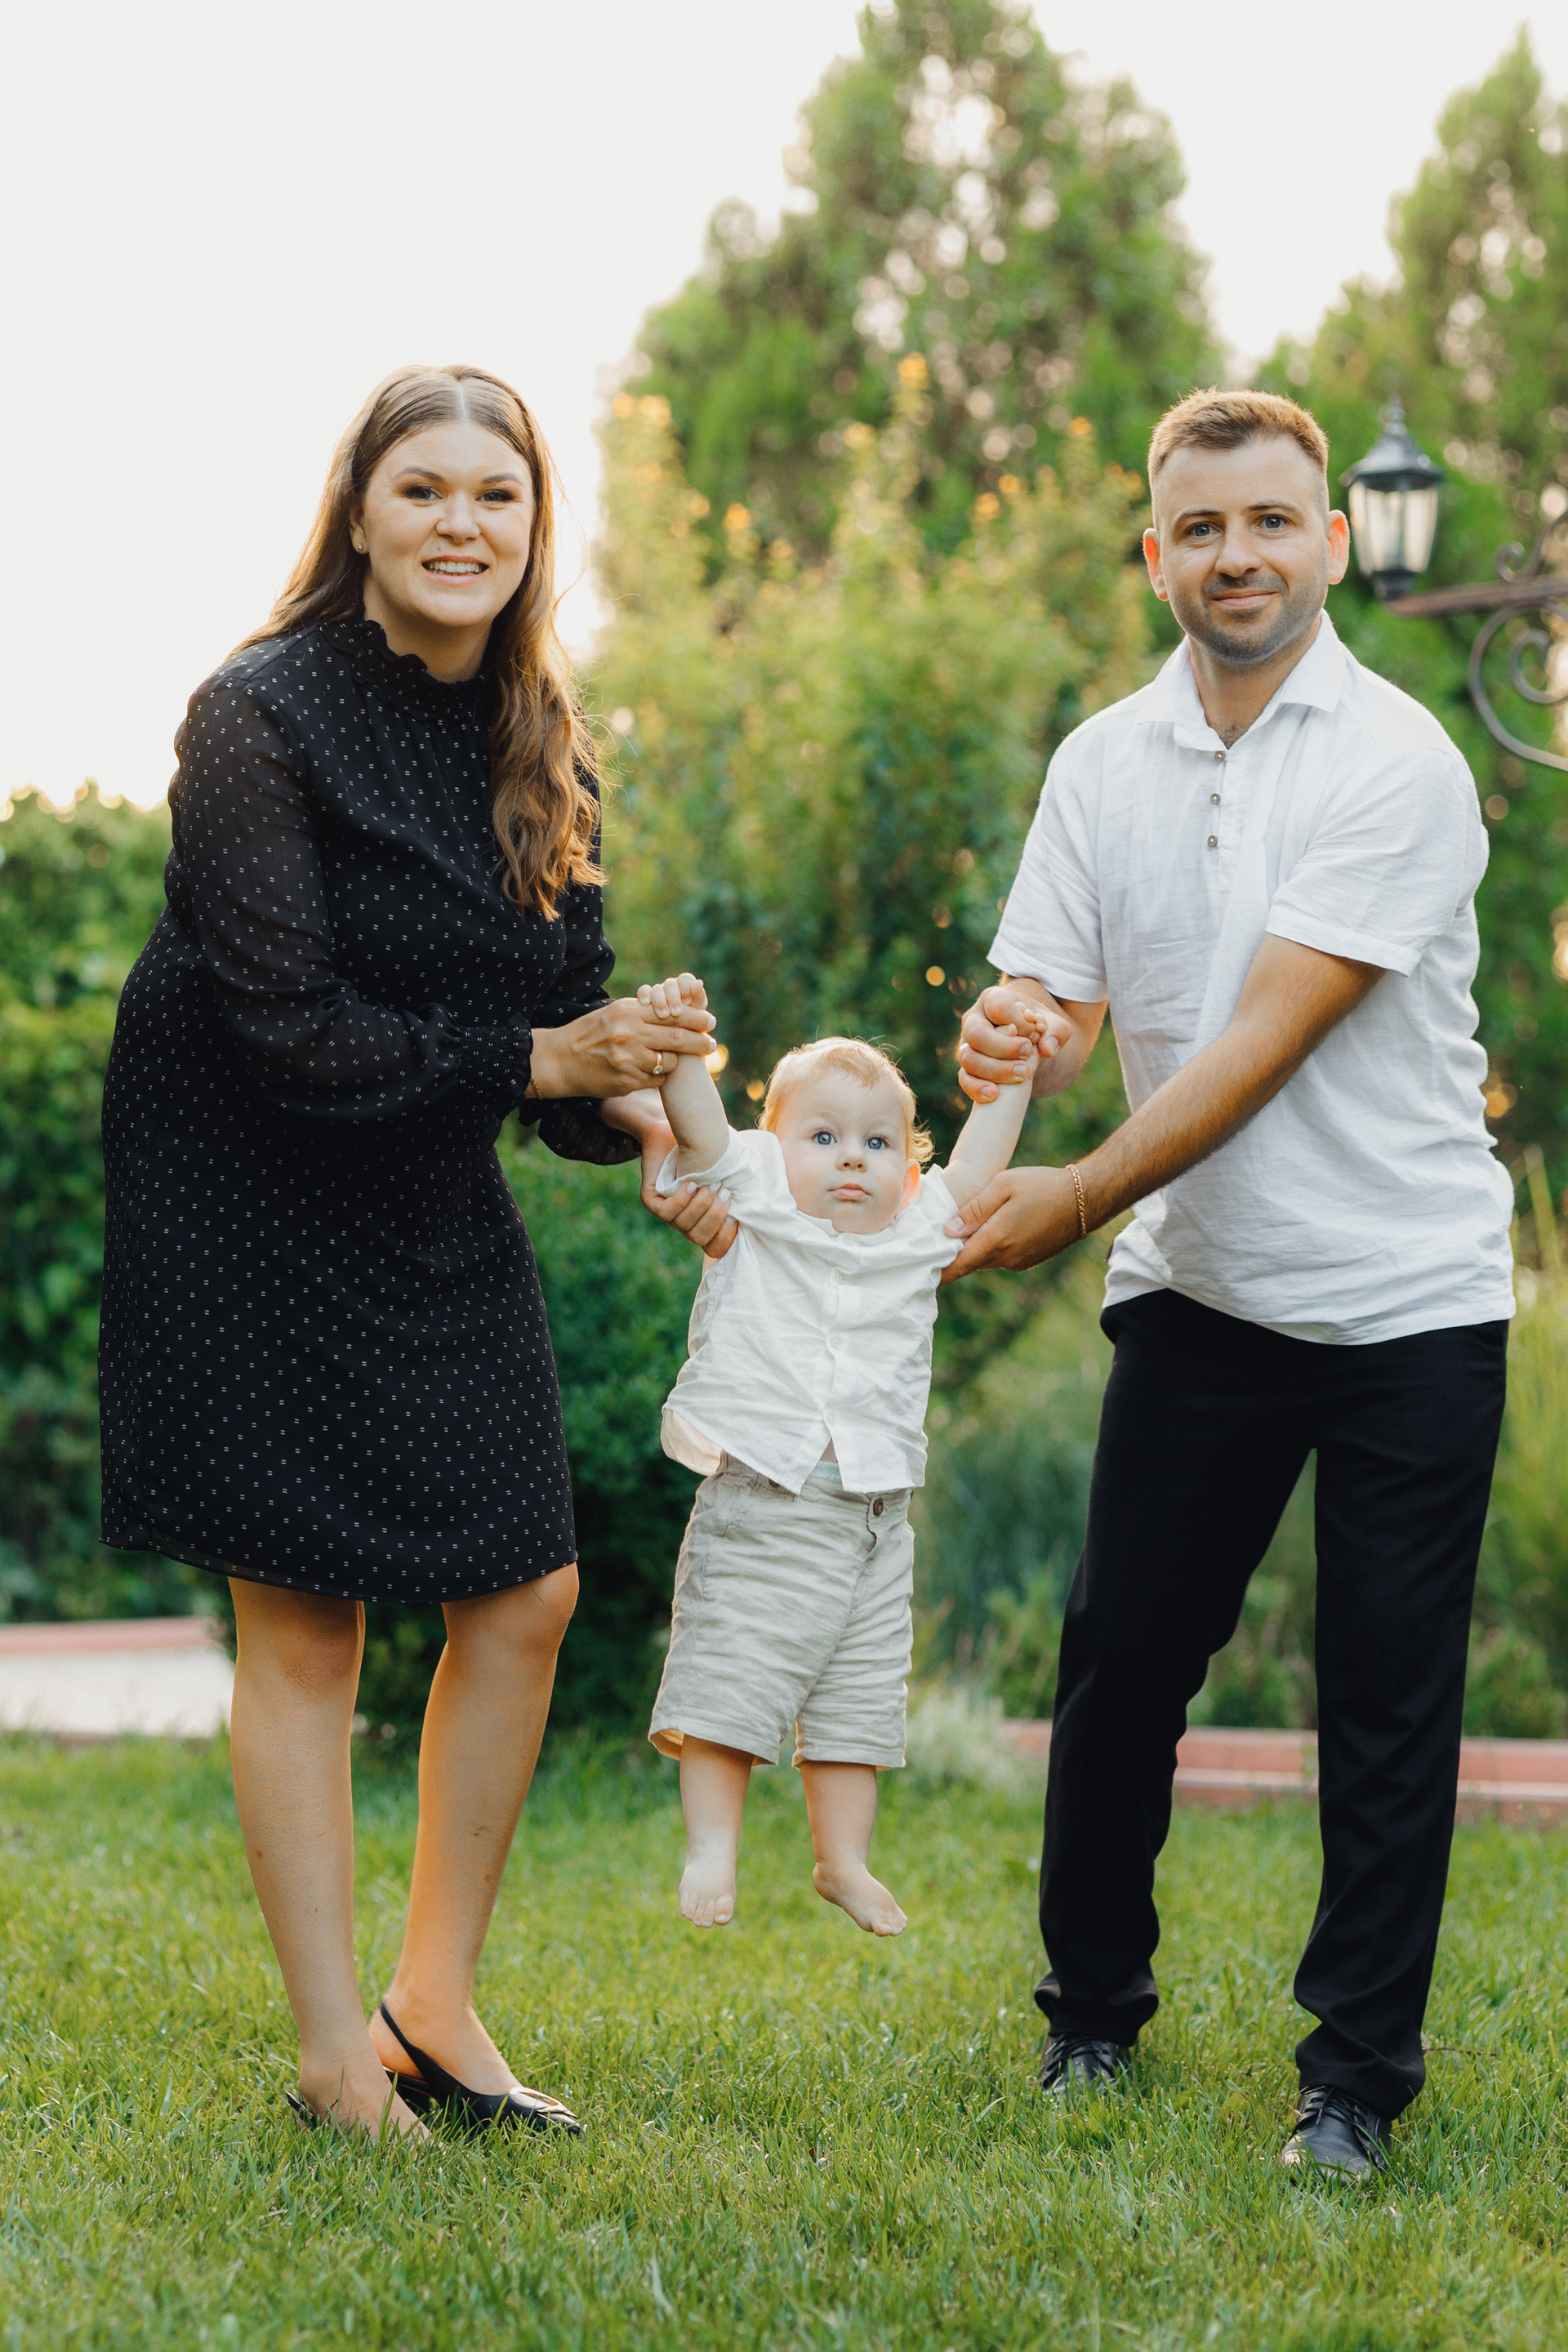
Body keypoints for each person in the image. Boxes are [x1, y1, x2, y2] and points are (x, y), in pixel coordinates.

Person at [99, 365, 715, 2138]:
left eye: (496, 496)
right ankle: (330, 2059)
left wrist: (653, 1112)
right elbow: (287, 1026)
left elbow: (563, 1026)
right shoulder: (255, 716)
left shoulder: (546, 741)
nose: (462, 524)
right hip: (245, 1190)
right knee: (307, 1625)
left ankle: (431, 2009)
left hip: (424, 1181)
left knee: (525, 1591)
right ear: (359, 513)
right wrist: (549, 1063)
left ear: (534, 530)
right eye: (424, 489)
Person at [945, 388, 1513, 2178]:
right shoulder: (1101, 762)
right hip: (1203, 1284)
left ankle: (1354, 2083)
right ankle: (1091, 2021)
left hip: (1411, 1296)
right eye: (1201, 527)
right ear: (1156, 555)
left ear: (1331, 542)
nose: (1237, 554)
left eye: (1270, 521)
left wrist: (1072, 1196)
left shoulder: (1401, 761)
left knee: (1386, 1695)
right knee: (1122, 1661)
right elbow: (1061, 1004)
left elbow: (1264, 1038)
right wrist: (1010, 1039)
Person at [638, 976, 1038, 1933]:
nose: (851, 1157)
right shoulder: (758, 1200)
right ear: (773, 1150)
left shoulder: (919, 1231)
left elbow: (982, 1162)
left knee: (860, 1699)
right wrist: (682, 1040)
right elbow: (699, 1127)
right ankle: (712, 1846)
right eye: (822, 1137)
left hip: (876, 1516)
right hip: (766, 1497)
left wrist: (1016, 1072)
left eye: (876, 1142)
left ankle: (843, 1860)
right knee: (732, 1674)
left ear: (909, 1169)